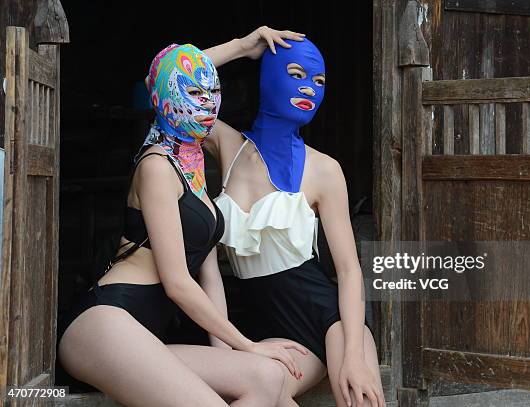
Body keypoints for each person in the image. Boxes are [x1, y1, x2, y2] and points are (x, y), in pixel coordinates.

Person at [56, 29, 308, 407]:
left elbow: (209, 281)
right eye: (194, 94)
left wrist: (235, 353)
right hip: (105, 323)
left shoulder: (194, 170)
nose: (206, 103)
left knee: (268, 379)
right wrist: (248, 344)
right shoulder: (156, 165)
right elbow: (177, 283)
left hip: (147, 339)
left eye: (212, 93)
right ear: (167, 97)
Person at [203, 35, 385, 407]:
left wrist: (353, 355)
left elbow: (349, 271)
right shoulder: (228, 146)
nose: (309, 88)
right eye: (297, 74)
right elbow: (165, 83)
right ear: (268, 76)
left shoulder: (325, 170)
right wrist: (242, 46)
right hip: (261, 326)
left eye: (319, 82)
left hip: (328, 320)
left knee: (359, 394)